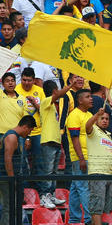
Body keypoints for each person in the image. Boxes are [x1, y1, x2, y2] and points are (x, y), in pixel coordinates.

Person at [85, 108, 112, 225]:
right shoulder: (93, 131)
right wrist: (96, 115)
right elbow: (87, 126)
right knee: (96, 205)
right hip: (97, 173)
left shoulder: (108, 135)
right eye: (102, 118)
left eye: (106, 119)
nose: (104, 121)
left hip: (108, 174)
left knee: (102, 206)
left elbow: (110, 159)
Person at [0, 115, 36, 225]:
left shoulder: (12, 136)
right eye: (30, 130)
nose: (29, 133)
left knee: (11, 208)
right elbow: (7, 159)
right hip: (6, 178)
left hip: (8, 177)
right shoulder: (11, 137)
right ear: (25, 126)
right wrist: (11, 180)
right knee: (8, 208)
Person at [37, 80, 73, 209]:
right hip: (48, 140)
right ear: (54, 91)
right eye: (57, 89)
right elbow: (58, 95)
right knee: (47, 171)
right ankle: (44, 196)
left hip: (56, 141)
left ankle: (51, 194)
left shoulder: (53, 106)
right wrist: (69, 86)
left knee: (54, 171)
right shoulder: (46, 101)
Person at [66, 89, 93, 225]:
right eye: (88, 97)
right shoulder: (74, 115)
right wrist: (81, 158)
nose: (91, 99)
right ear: (80, 100)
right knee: (83, 187)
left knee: (76, 188)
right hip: (80, 157)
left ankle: (74, 218)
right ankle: (89, 219)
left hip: (89, 156)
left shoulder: (89, 114)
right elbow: (75, 138)